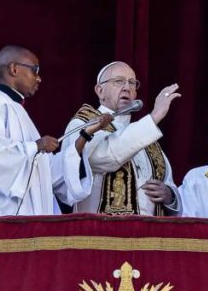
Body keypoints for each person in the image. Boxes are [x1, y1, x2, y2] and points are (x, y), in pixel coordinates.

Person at [0, 46, 112, 216]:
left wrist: (85, 134)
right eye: (35, 70)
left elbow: (46, 172)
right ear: (14, 69)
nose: (39, 78)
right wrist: (37, 145)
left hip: (31, 222)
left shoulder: (18, 110)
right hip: (0, 219)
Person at [62, 61, 181, 215]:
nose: (126, 87)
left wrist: (169, 195)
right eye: (118, 81)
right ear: (100, 91)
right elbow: (103, 158)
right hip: (101, 228)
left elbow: (169, 182)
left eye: (132, 83)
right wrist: (155, 116)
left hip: (147, 229)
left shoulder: (148, 137)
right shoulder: (84, 123)